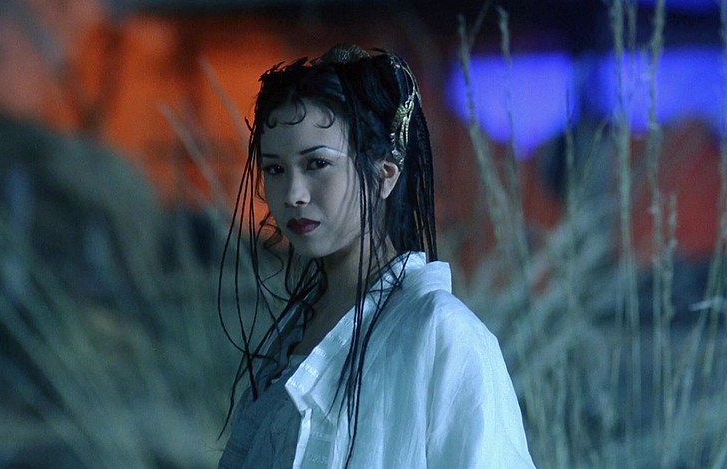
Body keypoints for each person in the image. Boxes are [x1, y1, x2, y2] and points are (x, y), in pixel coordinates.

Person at [217, 43, 535, 469]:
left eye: (317, 164)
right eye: (275, 169)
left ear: (384, 174)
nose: (293, 194)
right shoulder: (292, 333)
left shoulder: (441, 332)